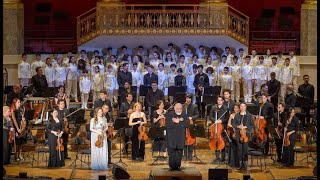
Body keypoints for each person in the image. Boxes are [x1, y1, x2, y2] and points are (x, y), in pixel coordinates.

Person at [165, 103, 189, 171]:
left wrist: (177, 122)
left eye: (180, 108)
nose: (179, 110)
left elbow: (187, 124)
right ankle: (172, 166)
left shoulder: (184, 115)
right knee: (171, 152)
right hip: (172, 137)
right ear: (174, 108)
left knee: (179, 152)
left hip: (180, 136)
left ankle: (178, 166)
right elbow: (168, 124)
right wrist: (178, 122)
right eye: (177, 108)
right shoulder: (170, 115)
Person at [232, 102, 254, 170]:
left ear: (246, 107)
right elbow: (234, 124)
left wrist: (246, 127)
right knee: (239, 149)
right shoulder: (237, 115)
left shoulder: (249, 115)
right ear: (239, 107)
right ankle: (241, 164)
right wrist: (238, 126)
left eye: (243, 106)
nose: (242, 108)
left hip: (246, 134)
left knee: (245, 149)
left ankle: (245, 163)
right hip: (239, 134)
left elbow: (252, 125)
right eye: (241, 106)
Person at [209, 96, 228, 163]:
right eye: (218, 100)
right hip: (215, 127)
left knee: (222, 143)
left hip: (222, 128)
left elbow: (226, 118)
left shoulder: (225, 108)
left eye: (221, 100)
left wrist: (221, 121)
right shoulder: (214, 107)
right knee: (215, 142)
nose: (219, 101)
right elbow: (210, 116)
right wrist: (215, 120)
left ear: (223, 101)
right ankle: (217, 158)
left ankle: (222, 158)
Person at [182, 94, 199, 161]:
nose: (188, 99)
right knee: (184, 140)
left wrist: (191, 117)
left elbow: (197, 115)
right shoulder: (183, 106)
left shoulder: (194, 106)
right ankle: (185, 155)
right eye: (187, 98)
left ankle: (190, 155)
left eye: (189, 98)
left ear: (191, 99)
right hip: (183, 125)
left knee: (191, 140)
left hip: (191, 125)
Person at [227, 103, 240, 168]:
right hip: (232, 132)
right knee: (232, 147)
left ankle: (237, 163)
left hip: (238, 133)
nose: (236, 109)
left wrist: (236, 127)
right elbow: (228, 123)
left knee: (237, 148)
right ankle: (231, 162)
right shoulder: (232, 115)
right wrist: (232, 126)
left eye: (237, 108)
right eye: (235, 108)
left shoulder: (240, 115)